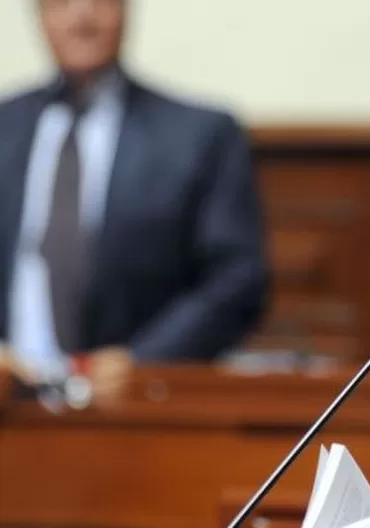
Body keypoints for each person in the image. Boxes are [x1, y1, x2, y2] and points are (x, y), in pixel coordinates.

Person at [0, 0, 268, 406]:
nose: (82, 17)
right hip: (12, 409)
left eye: (100, 0)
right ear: (38, 13)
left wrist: (147, 361)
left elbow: (237, 278)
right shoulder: (6, 126)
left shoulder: (199, 136)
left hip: (140, 409)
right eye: (61, 1)